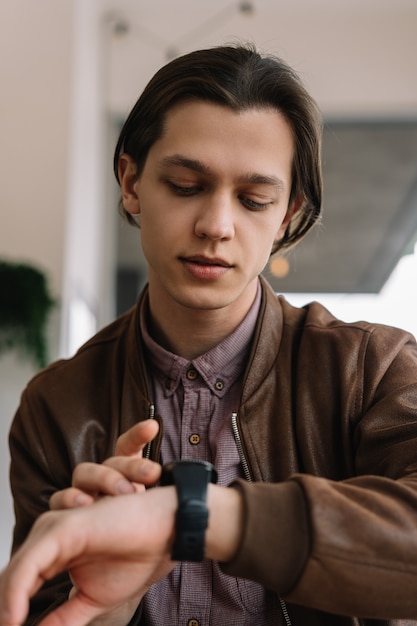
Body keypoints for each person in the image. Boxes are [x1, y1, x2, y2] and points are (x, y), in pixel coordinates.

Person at [2, 42, 417, 626]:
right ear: (131, 183)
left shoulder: (374, 369)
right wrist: (108, 604)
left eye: (254, 200)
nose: (216, 226)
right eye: (186, 185)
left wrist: (198, 516)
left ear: (288, 216)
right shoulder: (56, 408)